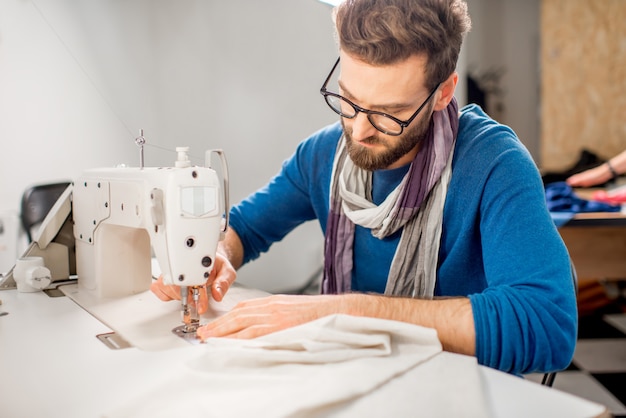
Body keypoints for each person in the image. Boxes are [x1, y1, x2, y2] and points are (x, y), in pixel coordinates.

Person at [152, 0, 577, 375]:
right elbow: (243, 228)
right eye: (348, 100)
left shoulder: (495, 164)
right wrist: (215, 256)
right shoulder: (321, 156)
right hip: (354, 381)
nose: (358, 131)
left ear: (444, 91)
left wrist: (346, 311)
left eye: (390, 114)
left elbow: (547, 324)